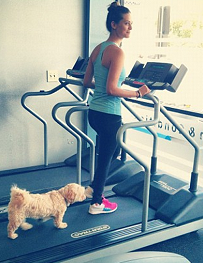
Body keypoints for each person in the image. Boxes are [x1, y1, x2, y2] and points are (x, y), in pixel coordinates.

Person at [83, 1, 150, 215]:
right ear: (114, 24)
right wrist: (138, 93)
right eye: (127, 23)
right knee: (106, 159)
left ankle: (93, 188)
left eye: (131, 24)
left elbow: (87, 82)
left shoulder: (98, 48)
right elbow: (113, 89)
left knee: (108, 154)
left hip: (94, 112)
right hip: (109, 115)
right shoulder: (117, 52)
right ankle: (97, 203)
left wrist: (103, 87)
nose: (130, 28)